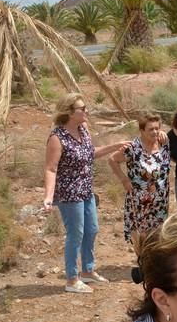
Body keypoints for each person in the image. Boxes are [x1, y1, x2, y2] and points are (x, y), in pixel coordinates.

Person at [43, 93, 130, 293]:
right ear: (69, 112)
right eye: (82, 109)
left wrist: (115, 146)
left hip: (86, 189)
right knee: (76, 234)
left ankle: (88, 272)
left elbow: (91, 152)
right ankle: (72, 280)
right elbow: (50, 169)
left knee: (92, 230)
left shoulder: (83, 130)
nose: (86, 111)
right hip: (68, 193)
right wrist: (48, 196)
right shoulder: (57, 137)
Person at [108, 113, 170, 255]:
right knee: (140, 234)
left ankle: (153, 263)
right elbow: (112, 160)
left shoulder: (163, 144)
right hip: (139, 200)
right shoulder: (133, 148)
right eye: (150, 129)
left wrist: (162, 133)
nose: (154, 132)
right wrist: (124, 180)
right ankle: (141, 262)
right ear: (142, 131)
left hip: (160, 200)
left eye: (157, 128)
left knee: (158, 234)